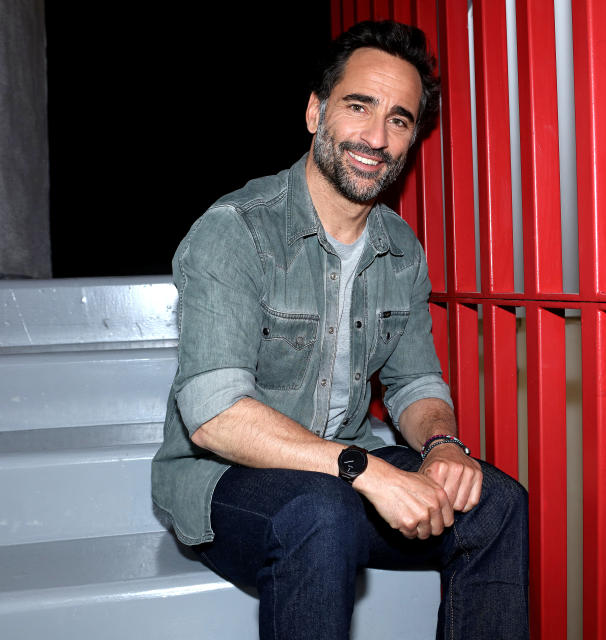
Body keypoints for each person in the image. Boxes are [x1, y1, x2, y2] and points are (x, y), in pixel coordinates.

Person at [151, 20, 529, 640]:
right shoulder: (236, 232)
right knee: (318, 512)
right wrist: (368, 471)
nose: (376, 138)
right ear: (315, 112)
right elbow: (214, 415)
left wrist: (441, 446)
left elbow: (415, 384)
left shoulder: (400, 248)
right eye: (359, 107)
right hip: (225, 480)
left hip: (343, 470)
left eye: (400, 120)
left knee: (497, 503)